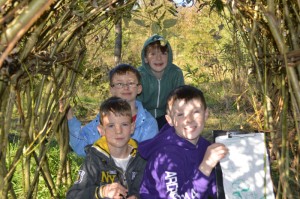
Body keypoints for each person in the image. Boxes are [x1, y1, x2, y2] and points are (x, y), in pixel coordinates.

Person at [138, 85, 229, 199]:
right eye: (180, 114)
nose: (189, 119)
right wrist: (206, 165)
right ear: (170, 120)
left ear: (206, 114)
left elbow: (216, 188)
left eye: (195, 112)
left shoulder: (205, 146)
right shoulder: (166, 157)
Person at [65, 64, 159, 156]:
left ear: (139, 88)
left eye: (131, 83)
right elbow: (81, 147)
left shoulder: (148, 124)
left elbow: (147, 158)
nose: (126, 87)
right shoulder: (104, 119)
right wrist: (70, 118)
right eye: (119, 84)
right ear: (111, 89)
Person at [66, 97, 146, 199]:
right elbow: (72, 196)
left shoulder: (142, 156)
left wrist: (137, 196)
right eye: (111, 126)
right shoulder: (95, 159)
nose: (118, 131)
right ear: (101, 130)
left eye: (124, 124)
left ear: (132, 127)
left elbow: (155, 189)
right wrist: (102, 192)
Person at [138, 34, 185, 130]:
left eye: (163, 54)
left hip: (167, 116)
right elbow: (135, 103)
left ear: (169, 56)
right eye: (153, 54)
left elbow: (180, 99)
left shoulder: (175, 73)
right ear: (145, 58)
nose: (158, 58)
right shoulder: (139, 75)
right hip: (143, 116)